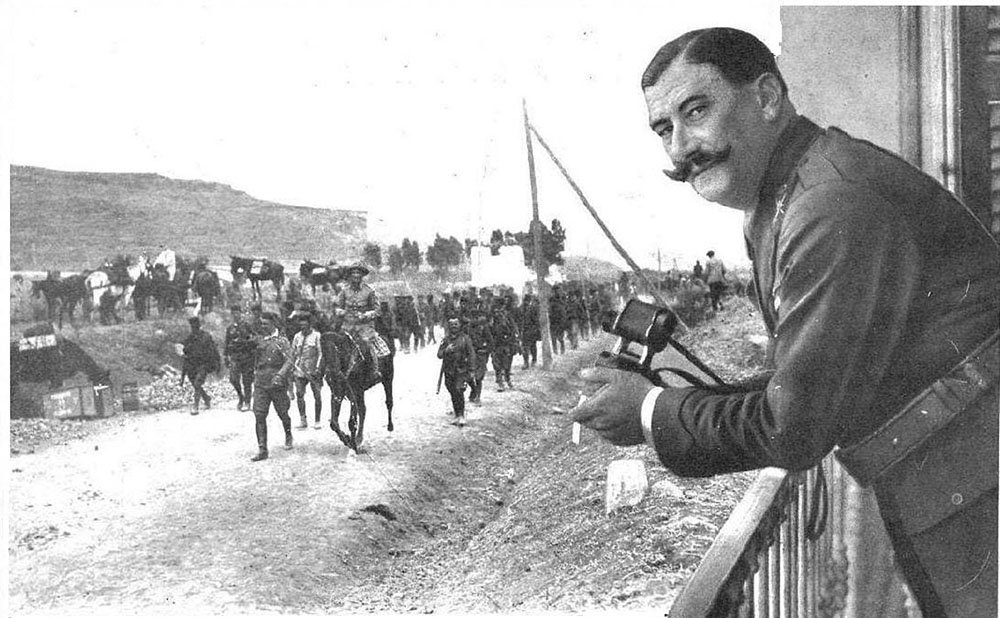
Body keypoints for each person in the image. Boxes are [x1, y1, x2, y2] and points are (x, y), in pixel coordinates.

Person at [571, 27, 999, 617]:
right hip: (959, 477)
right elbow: (801, 383)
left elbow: (794, 427)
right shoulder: (787, 194)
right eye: (664, 128)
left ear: (767, 98)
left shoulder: (827, 203)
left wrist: (648, 411)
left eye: (697, 111)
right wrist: (658, 402)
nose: (679, 149)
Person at [250, 312, 295, 461]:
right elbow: (254, 359)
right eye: (261, 324)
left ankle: (288, 434)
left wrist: (280, 375)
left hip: (277, 382)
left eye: (266, 324)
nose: (263, 326)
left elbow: (289, 360)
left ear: (273, 324)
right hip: (261, 382)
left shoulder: (282, 341)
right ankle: (262, 449)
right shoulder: (259, 340)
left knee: (282, 412)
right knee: (259, 414)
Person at [333, 262, 387, 384]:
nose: (356, 276)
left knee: (367, 344)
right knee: (333, 345)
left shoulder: (369, 291)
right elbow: (337, 307)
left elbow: (378, 310)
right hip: (347, 327)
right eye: (353, 273)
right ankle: (327, 373)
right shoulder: (344, 291)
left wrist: (366, 315)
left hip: (365, 327)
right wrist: (340, 312)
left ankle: (375, 370)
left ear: (362, 275)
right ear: (350, 276)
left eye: (358, 273)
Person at [438, 317, 476, 426]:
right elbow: (439, 355)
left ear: (459, 325)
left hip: (461, 370)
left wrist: (472, 370)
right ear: (448, 326)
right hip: (449, 371)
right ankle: (456, 414)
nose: (454, 326)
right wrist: (446, 350)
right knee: (453, 392)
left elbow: (471, 354)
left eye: (456, 324)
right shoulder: (446, 340)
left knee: (459, 390)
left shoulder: (465, 338)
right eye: (451, 324)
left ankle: (461, 415)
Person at [289, 311, 324, 430]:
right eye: (301, 325)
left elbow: (320, 353)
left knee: (317, 395)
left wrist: (318, 368)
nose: (303, 328)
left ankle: (317, 420)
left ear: (310, 325)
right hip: (300, 370)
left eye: (305, 325)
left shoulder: (317, 336)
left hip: (313, 370)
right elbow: (293, 353)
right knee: (299, 394)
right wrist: (292, 366)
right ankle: (303, 419)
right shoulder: (297, 336)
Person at [181, 316, 220, 415]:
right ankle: (206, 398)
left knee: (198, 383)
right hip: (192, 365)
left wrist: (216, 365)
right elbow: (185, 353)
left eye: (195, 325)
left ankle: (196, 406)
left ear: (199, 325)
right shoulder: (189, 338)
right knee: (195, 384)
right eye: (192, 326)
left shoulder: (206, 337)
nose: (194, 327)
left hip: (203, 364)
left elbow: (214, 351)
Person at [224, 304, 256, 411]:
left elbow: (255, 338)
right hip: (235, 357)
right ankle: (240, 397)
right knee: (233, 379)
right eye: (233, 313)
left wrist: (245, 342)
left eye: (237, 312)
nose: (235, 315)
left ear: (241, 313)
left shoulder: (247, 325)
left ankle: (247, 401)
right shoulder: (230, 328)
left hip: (247, 356)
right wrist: (225, 356)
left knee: (247, 381)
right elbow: (227, 342)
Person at [467, 311, 493, 404]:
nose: (474, 320)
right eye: (473, 317)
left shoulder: (484, 328)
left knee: (478, 377)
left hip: (480, 355)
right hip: (469, 356)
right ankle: (474, 390)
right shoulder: (468, 328)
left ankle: (478, 396)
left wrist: (485, 351)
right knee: (468, 377)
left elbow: (491, 342)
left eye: (476, 317)